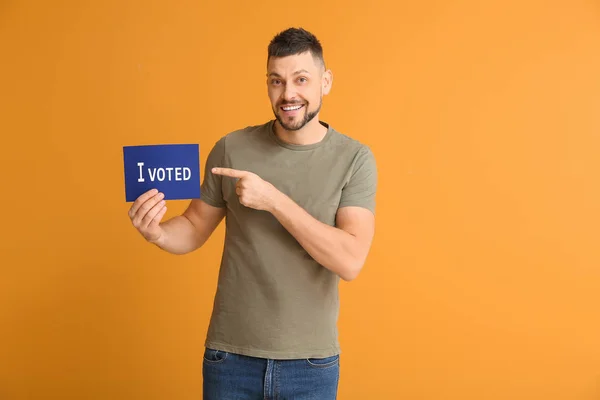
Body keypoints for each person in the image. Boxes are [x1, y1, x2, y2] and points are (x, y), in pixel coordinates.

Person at [128, 27, 377, 400]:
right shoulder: (232, 148)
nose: (288, 93)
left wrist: (274, 200)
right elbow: (194, 227)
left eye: (301, 79)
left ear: (325, 82)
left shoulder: (355, 159)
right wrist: (158, 233)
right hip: (229, 358)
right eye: (276, 81)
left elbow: (350, 260)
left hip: (310, 363)